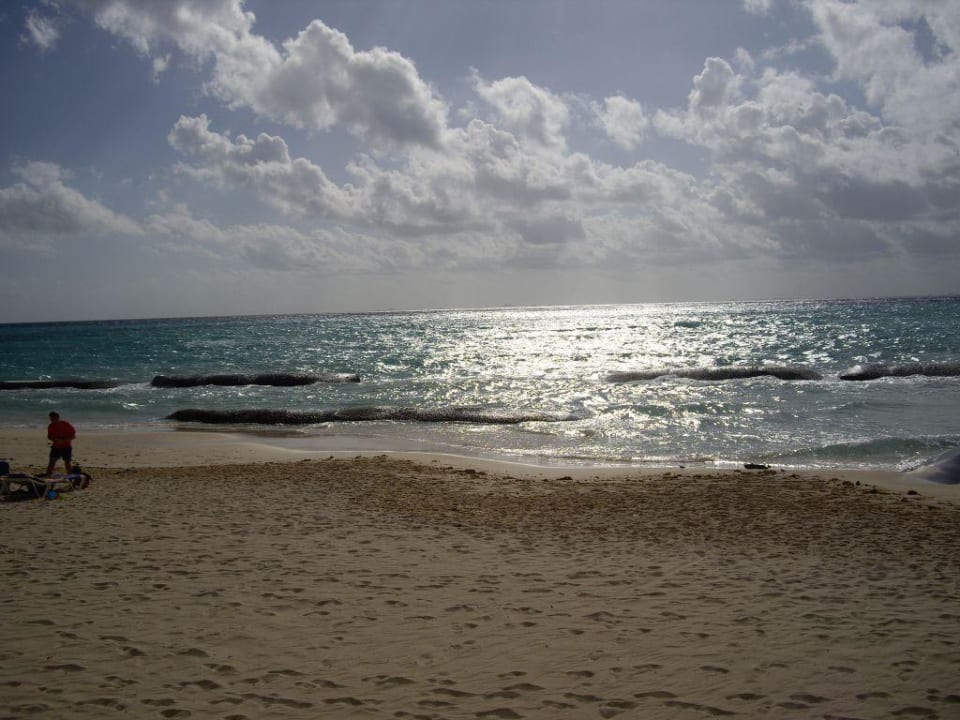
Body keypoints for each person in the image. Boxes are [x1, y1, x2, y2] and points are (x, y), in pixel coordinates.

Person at [46, 411, 76, 476]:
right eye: (51, 419)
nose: (52, 421)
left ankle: (70, 479)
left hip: (66, 447)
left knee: (67, 463)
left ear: (57, 418)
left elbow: (73, 436)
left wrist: (64, 440)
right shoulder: (51, 426)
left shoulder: (66, 424)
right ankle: (47, 478)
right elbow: (49, 436)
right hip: (56, 447)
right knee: (51, 463)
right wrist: (54, 439)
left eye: (53, 419)